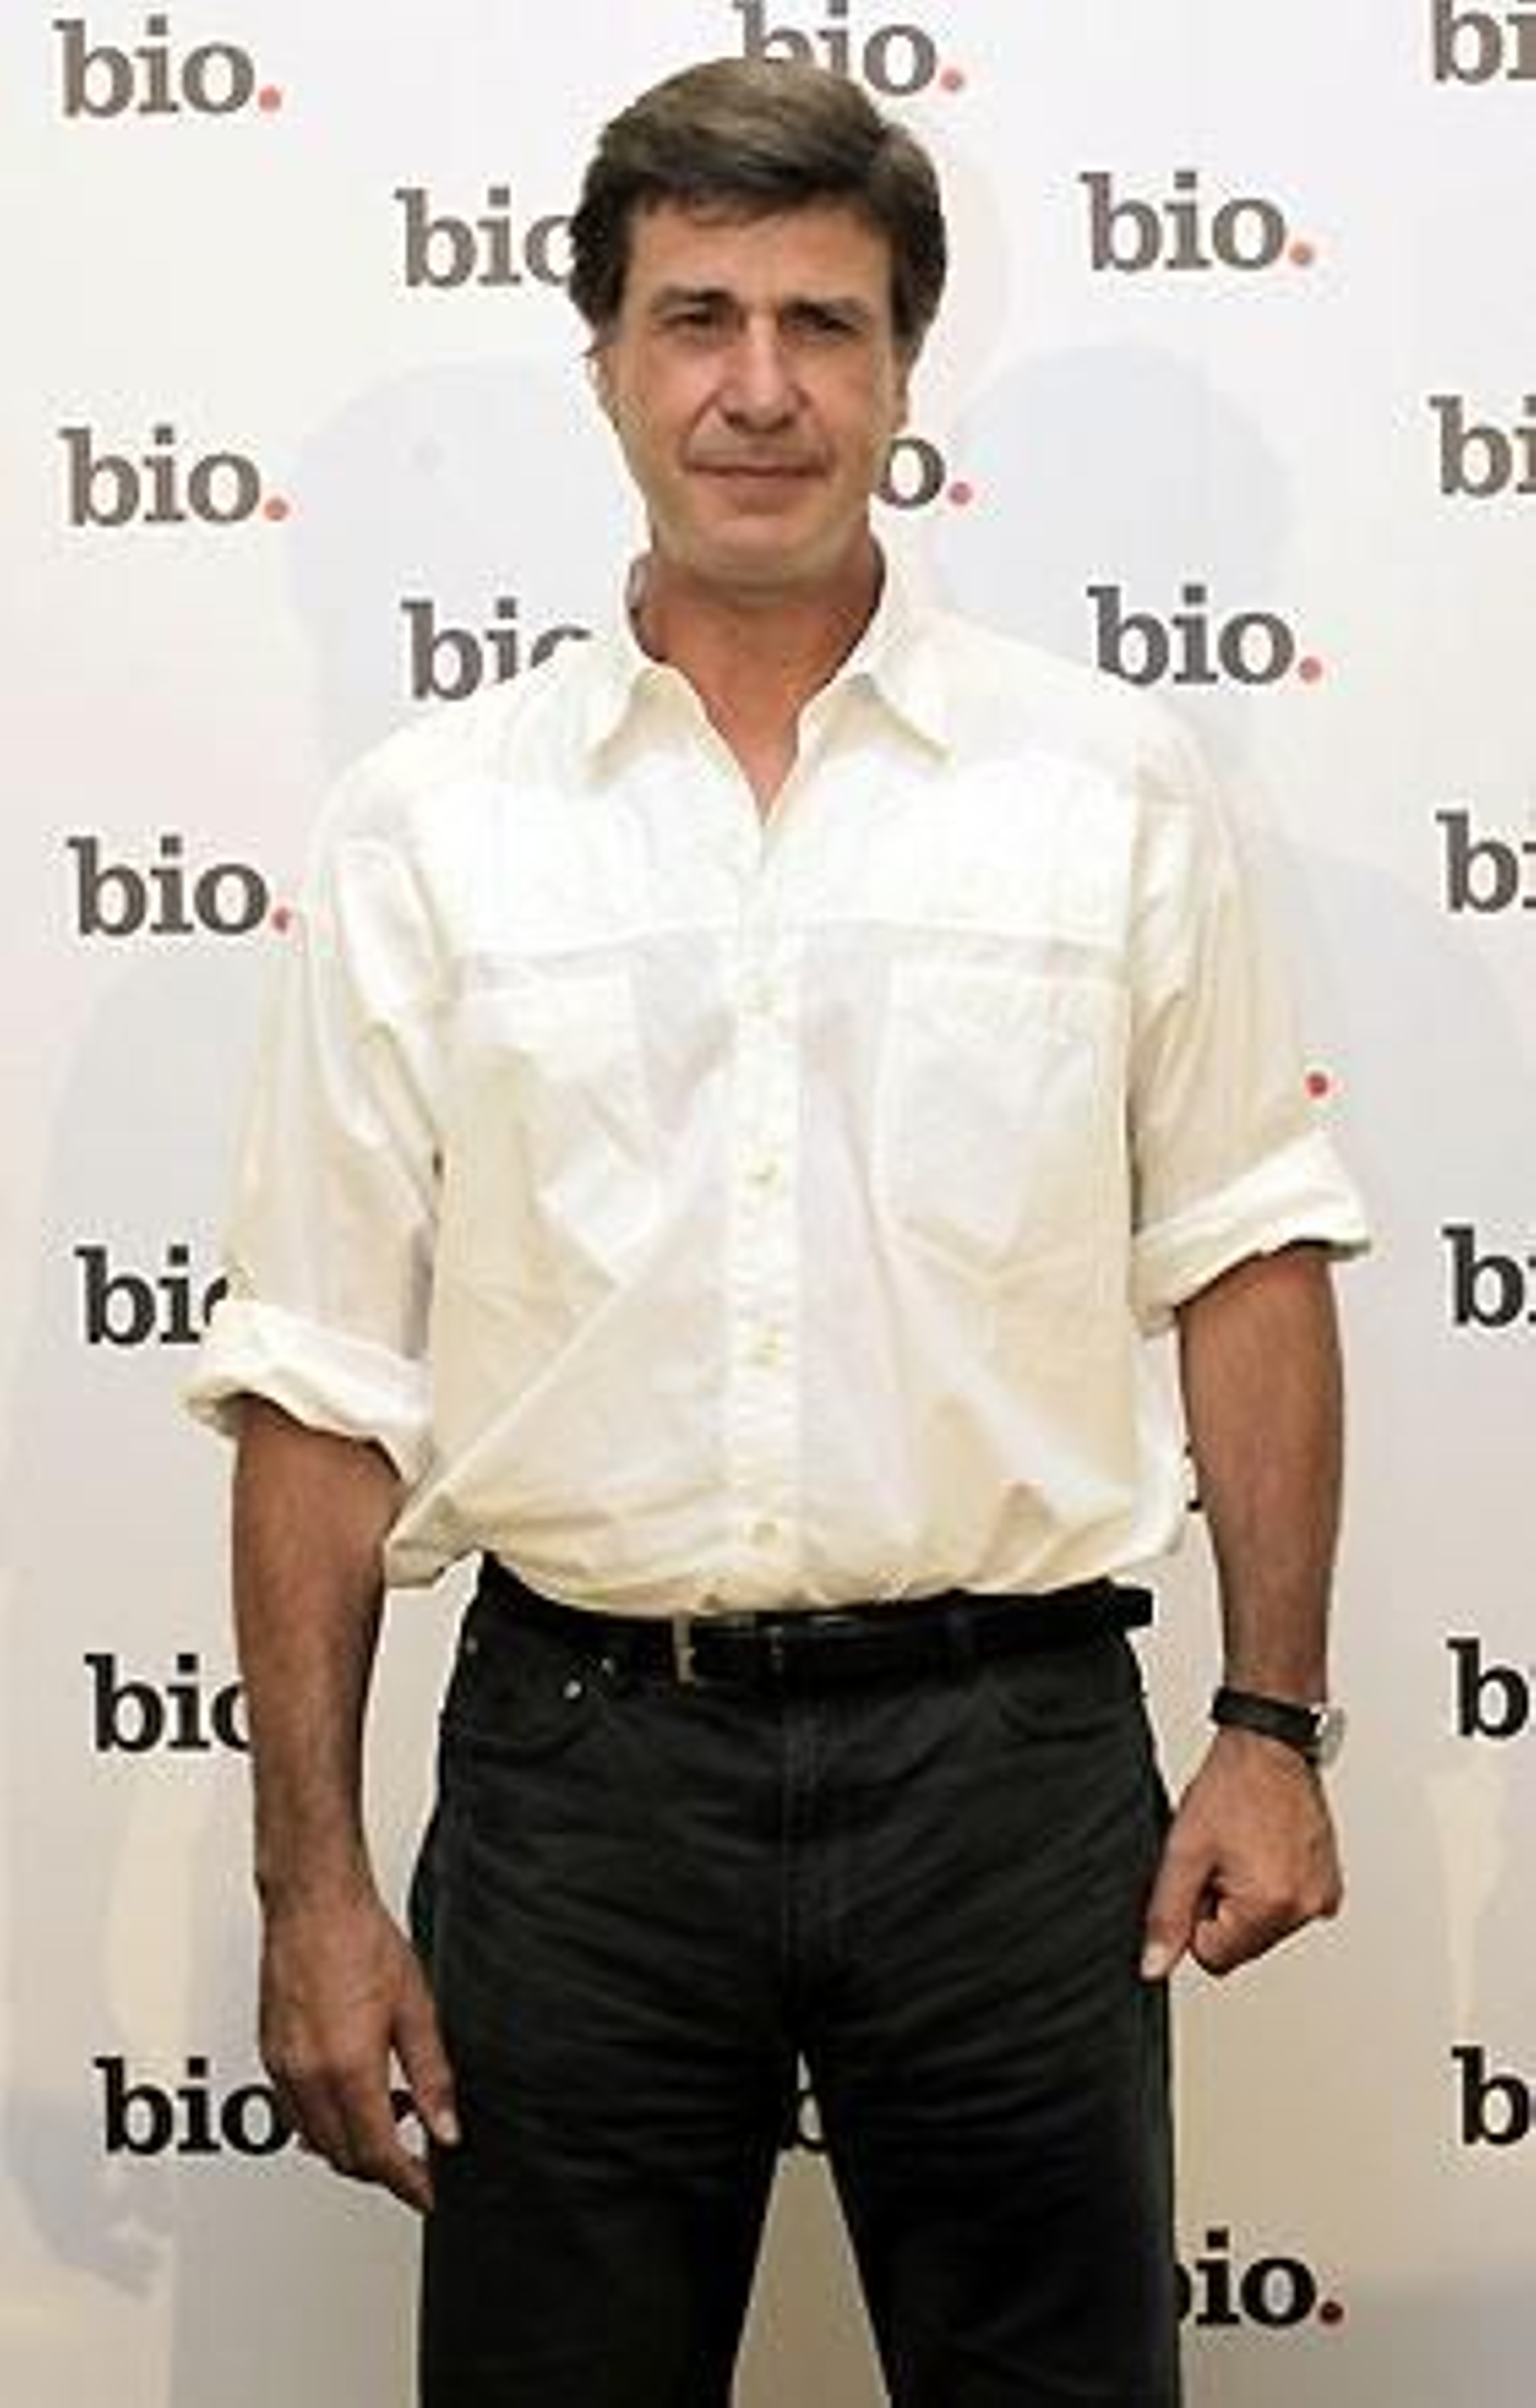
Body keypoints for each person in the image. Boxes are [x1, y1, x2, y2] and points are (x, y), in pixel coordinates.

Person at [188, 54, 1368, 2407]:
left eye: (820, 324)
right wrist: (309, 1883)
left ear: (905, 370)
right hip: (579, 1783)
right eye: (695, 320)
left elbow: (1246, 1250)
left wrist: (1267, 1725)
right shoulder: (427, 825)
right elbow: (317, 1378)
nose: (756, 389)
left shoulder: (1108, 783)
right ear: (605, 365)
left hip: (1009, 1773)